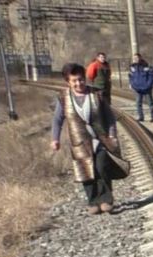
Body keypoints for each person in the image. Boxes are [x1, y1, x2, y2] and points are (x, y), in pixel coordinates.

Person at [51, 62, 119, 215]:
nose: (78, 83)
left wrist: (112, 134)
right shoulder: (63, 98)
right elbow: (57, 120)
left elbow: (110, 118)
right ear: (68, 81)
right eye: (74, 80)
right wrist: (55, 139)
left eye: (81, 79)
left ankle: (106, 200)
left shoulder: (97, 94)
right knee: (85, 170)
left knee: (101, 166)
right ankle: (93, 201)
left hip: (100, 138)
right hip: (79, 140)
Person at [129, 53, 153, 122]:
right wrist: (133, 85)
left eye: (137, 58)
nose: (135, 59)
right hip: (137, 88)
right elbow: (130, 77)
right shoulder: (132, 67)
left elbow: (152, 76)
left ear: (140, 58)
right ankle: (141, 117)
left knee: (150, 103)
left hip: (146, 88)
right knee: (138, 103)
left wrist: (148, 85)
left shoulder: (147, 66)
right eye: (134, 58)